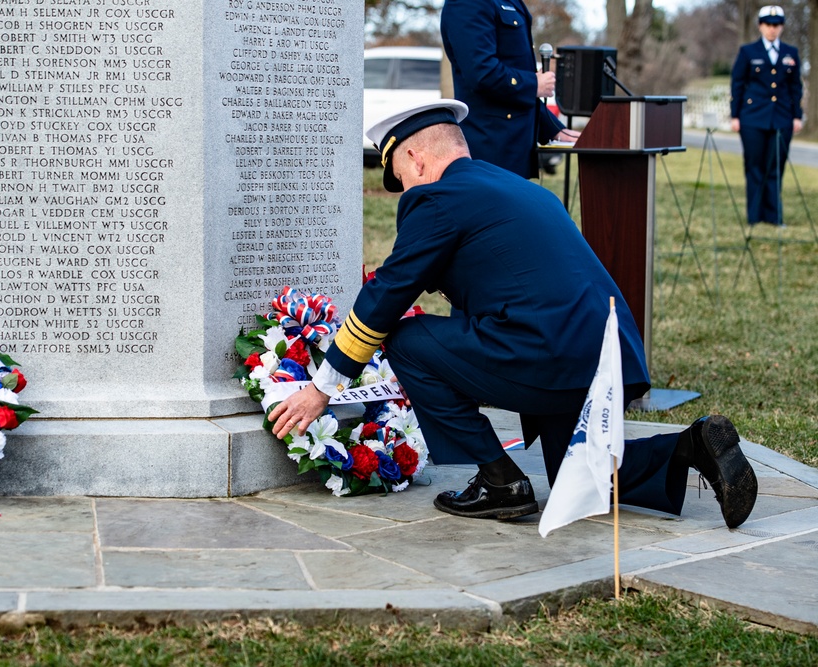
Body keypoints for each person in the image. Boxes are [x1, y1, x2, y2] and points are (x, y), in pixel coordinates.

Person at [270, 100, 758, 529]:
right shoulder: (512, 186)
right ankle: (692, 447)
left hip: (546, 353)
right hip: (607, 354)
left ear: (415, 158)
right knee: (577, 476)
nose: (403, 187)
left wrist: (321, 388)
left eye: (398, 173)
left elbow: (388, 297)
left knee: (407, 340)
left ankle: (497, 480)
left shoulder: (435, 197)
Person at [440, 0, 578, 179]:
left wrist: (553, 130)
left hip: (515, 147)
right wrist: (534, 84)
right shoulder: (468, 3)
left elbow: (516, 78)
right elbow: (482, 73)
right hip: (490, 147)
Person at [730, 5, 804, 226]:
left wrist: (797, 116)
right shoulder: (748, 52)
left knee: (776, 167)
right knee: (754, 166)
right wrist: (735, 116)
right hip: (752, 118)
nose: (772, 29)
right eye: (768, 25)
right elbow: (738, 84)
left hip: (781, 118)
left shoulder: (791, 53)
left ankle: (774, 216)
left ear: (781, 27)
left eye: (777, 25)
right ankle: (754, 216)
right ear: (761, 26)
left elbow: (795, 87)